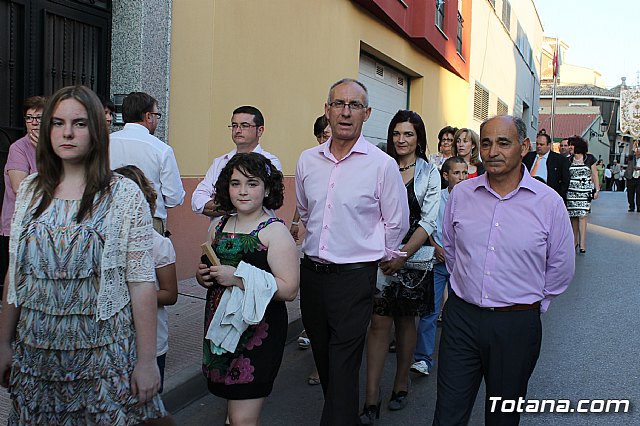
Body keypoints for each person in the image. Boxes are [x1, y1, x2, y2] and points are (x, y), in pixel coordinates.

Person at [0, 85, 166, 423]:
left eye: (79, 123)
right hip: (37, 356)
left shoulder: (123, 196)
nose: (67, 133)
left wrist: (147, 361)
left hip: (101, 358)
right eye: (57, 123)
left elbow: (141, 282)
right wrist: (3, 342)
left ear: (97, 129)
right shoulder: (31, 190)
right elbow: (15, 273)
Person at [433, 115, 575, 425]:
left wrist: (531, 303)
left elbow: (561, 267)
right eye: (486, 143)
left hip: (516, 325)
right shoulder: (462, 195)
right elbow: (454, 251)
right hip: (462, 320)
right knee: (448, 414)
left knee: (502, 418)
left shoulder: (548, 203)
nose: (493, 151)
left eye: (503, 143)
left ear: (524, 147)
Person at [296, 78, 409, 425]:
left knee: (344, 362)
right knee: (325, 358)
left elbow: (397, 221)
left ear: (367, 113)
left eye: (354, 105)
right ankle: (344, 416)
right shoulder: (307, 160)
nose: (346, 112)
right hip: (312, 276)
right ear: (327, 110)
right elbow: (305, 211)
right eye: (339, 104)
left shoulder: (381, 165)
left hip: (354, 277)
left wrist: (379, 255)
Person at [196, 152, 299, 425]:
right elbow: (209, 271)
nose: (242, 191)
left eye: (252, 184)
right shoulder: (217, 226)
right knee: (234, 415)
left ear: (267, 189)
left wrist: (238, 278)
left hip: (258, 334)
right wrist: (203, 276)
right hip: (220, 328)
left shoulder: (275, 232)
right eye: (235, 183)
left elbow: (289, 289)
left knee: (243, 419)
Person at [360, 110, 440, 424]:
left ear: (419, 138)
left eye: (408, 134)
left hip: (415, 260)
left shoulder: (429, 172)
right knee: (379, 324)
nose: (401, 140)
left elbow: (429, 220)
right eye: (397, 133)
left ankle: (401, 383)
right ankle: (370, 397)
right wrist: (384, 254)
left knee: (407, 323)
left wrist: (403, 255)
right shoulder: (381, 164)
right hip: (381, 258)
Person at [114, 165, 179, 426]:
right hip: (115, 341)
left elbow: (170, 293)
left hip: (151, 342)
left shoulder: (158, 243)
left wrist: (132, 297)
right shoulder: (104, 239)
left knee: (148, 409)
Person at [411, 156, 468, 378]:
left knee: (459, 313)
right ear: (446, 176)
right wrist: (435, 247)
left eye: (465, 173)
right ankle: (423, 359)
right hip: (437, 263)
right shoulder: (437, 198)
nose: (462, 177)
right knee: (430, 312)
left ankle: (459, 356)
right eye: (457, 173)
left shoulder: (473, 200)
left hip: (461, 266)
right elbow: (427, 226)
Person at [109, 92, 185, 235]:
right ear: (148, 116)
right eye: (156, 115)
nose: (156, 120)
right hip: (148, 221)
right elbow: (174, 197)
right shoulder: (161, 149)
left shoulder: (105, 143)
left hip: (109, 218)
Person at [191, 106, 282, 219]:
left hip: (256, 232)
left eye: (244, 126)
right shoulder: (220, 162)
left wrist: (218, 202)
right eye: (234, 126)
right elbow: (197, 201)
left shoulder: (269, 162)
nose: (238, 130)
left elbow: (257, 204)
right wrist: (231, 206)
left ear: (260, 130)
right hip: (221, 232)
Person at [0, 96, 46, 301]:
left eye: (39, 118)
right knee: (18, 276)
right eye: (29, 118)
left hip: (46, 223)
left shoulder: (56, 147)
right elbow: (21, 188)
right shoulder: (19, 148)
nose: (34, 123)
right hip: (21, 222)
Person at [290, 114, 331, 242]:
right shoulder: (309, 160)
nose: (321, 141)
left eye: (325, 136)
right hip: (316, 232)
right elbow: (303, 198)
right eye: (319, 137)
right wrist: (295, 222)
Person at [566, 136, 599, 253]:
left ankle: (583, 244)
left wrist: (597, 189)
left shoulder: (589, 158)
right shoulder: (568, 160)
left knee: (582, 216)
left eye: (571, 145)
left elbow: (594, 174)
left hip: (585, 192)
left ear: (577, 146)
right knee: (573, 217)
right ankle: (574, 241)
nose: (569, 147)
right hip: (571, 191)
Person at [523, 132, 570, 201]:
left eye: (541, 144)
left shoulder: (559, 160)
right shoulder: (527, 157)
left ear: (549, 145)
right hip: (528, 194)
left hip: (548, 196)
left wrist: (557, 196)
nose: (538, 146)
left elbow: (565, 181)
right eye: (537, 144)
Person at [624, 144, 640, 212]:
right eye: (637, 151)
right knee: (630, 193)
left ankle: (639, 207)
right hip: (631, 178)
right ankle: (631, 206)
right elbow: (630, 155)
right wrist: (633, 148)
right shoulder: (631, 158)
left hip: (639, 178)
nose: (638, 152)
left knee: (639, 194)